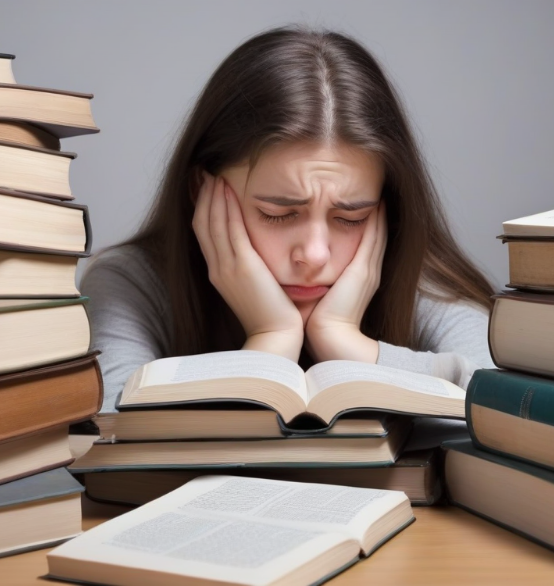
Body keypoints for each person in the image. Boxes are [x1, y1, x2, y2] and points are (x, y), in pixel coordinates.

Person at [82, 26, 496, 413]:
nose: (314, 255)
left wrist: (345, 343)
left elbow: (506, 405)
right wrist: (271, 342)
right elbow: (109, 428)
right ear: (200, 191)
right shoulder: (129, 283)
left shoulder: (419, 281)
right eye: (278, 213)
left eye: (350, 217)